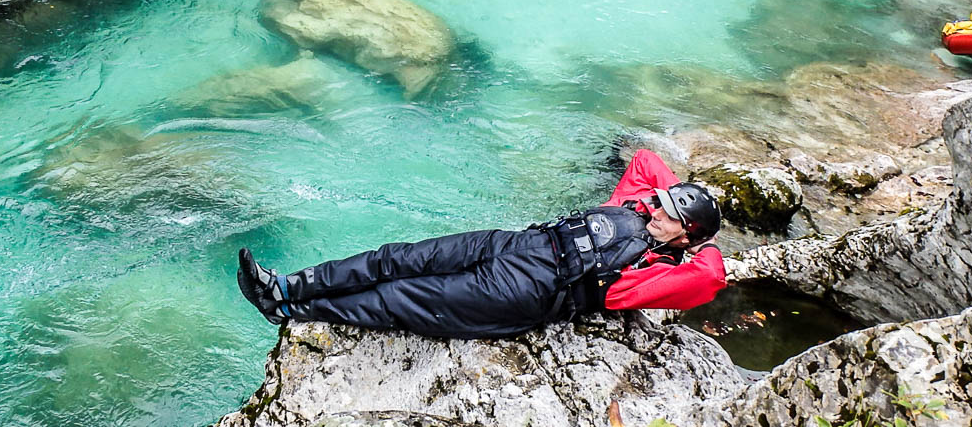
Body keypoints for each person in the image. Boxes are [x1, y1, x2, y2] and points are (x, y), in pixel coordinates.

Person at [236, 149, 725, 339]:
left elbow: (710, 275)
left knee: (398, 298)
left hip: (526, 292)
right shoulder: (638, 207)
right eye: (662, 203)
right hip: (517, 245)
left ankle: (290, 312)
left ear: (689, 234)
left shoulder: (655, 273)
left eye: (671, 215)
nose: (657, 209)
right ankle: (285, 285)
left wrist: (700, 240)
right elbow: (646, 160)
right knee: (399, 258)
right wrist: (685, 200)